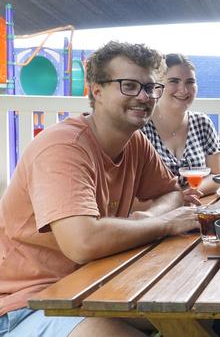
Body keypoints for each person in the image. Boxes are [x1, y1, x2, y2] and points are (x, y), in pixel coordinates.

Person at [0, 41, 198, 337]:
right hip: (25, 305)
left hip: (96, 285)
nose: (143, 97)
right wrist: (163, 224)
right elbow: (83, 243)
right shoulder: (63, 148)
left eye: (149, 87)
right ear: (96, 90)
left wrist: (148, 218)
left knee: (192, 307)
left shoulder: (135, 142)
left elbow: (172, 193)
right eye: (129, 86)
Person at [141, 53, 220, 205]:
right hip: (154, 213)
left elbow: (215, 176)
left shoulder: (203, 123)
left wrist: (187, 194)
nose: (184, 90)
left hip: (198, 207)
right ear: (157, 85)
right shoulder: (141, 128)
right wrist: (176, 198)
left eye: (190, 82)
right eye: (174, 81)